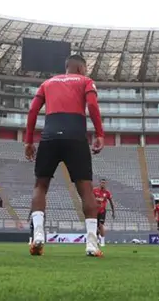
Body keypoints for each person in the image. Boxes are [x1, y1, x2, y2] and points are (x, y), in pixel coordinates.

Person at [24, 54, 105, 258]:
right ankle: (91, 244)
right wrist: (100, 134)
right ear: (80, 68)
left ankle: (38, 236)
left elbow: (33, 110)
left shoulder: (47, 83)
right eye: (85, 69)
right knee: (85, 189)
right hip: (76, 137)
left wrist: (28, 141)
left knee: (40, 186)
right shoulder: (85, 81)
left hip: (49, 137)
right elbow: (93, 106)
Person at [93, 179, 115, 246]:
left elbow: (111, 202)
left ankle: (102, 241)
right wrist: (97, 199)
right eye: (102, 183)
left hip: (102, 211)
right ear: (99, 183)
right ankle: (97, 239)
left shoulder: (107, 192)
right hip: (94, 211)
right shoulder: (94, 190)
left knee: (101, 225)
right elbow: (90, 198)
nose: (103, 184)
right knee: (95, 227)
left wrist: (113, 212)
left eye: (104, 183)